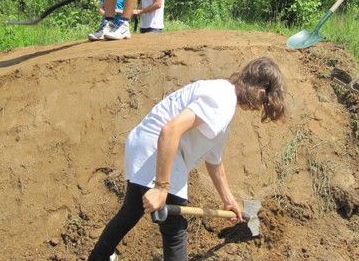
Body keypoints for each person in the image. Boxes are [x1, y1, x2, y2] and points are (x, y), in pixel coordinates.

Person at [87, 57, 287, 261]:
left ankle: (98, 257)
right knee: (175, 231)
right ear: (260, 92)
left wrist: (228, 200)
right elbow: (170, 130)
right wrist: (161, 187)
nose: (258, 107)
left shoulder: (222, 96)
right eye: (264, 103)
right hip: (157, 149)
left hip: (142, 145)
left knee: (130, 212)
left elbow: (214, 161)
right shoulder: (222, 100)